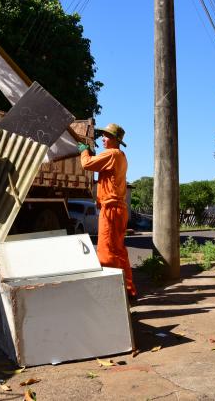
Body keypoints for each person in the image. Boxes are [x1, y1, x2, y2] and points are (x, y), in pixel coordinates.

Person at [78, 123, 137, 300]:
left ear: (115, 140)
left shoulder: (111, 154)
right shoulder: (121, 155)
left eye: (106, 136)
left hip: (111, 210)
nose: (102, 139)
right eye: (102, 135)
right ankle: (128, 289)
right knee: (119, 251)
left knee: (107, 252)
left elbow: (87, 163)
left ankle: (111, 294)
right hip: (118, 209)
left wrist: (83, 150)